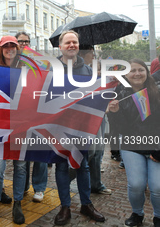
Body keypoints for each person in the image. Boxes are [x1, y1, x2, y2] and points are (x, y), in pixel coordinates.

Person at [53, 30, 105, 226]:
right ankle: (65, 206)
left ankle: (86, 204)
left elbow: (96, 96)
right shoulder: (51, 68)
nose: (72, 45)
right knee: (61, 165)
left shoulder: (88, 71)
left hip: (81, 127)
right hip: (58, 126)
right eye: (68, 43)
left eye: (75, 42)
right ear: (61, 47)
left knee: (82, 165)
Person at [108, 59, 160, 227]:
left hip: (156, 144)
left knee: (157, 187)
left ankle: (158, 216)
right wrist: (114, 113)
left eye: (141, 70)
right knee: (136, 184)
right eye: (133, 71)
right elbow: (122, 128)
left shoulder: (157, 92)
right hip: (132, 144)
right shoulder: (121, 94)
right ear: (127, 75)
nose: (137, 73)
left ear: (147, 72)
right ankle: (137, 214)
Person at [0, 35, 26, 225]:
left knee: (21, 167)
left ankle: (18, 203)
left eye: (13, 46)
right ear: (0, 49)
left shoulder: (27, 71)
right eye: (6, 46)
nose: (9, 49)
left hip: (22, 127)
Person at [15, 31, 48, 203]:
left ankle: (40, 187)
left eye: (26, 41)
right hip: (19, 115)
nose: (23, 44)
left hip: (37, 112)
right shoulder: (12, 62)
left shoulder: (38, 61)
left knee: (39, 153)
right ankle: (25, 185)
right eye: (20, 41)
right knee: (23, 153)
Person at [78, 47, 111, 195]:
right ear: (83, 54)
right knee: (89, 153)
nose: (94, 55)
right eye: (91, 52)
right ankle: (68, 178)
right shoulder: (77, 72)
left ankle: (96, 184)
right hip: (85, 118)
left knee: (97, 152)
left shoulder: (93, 72)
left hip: (99, 115)